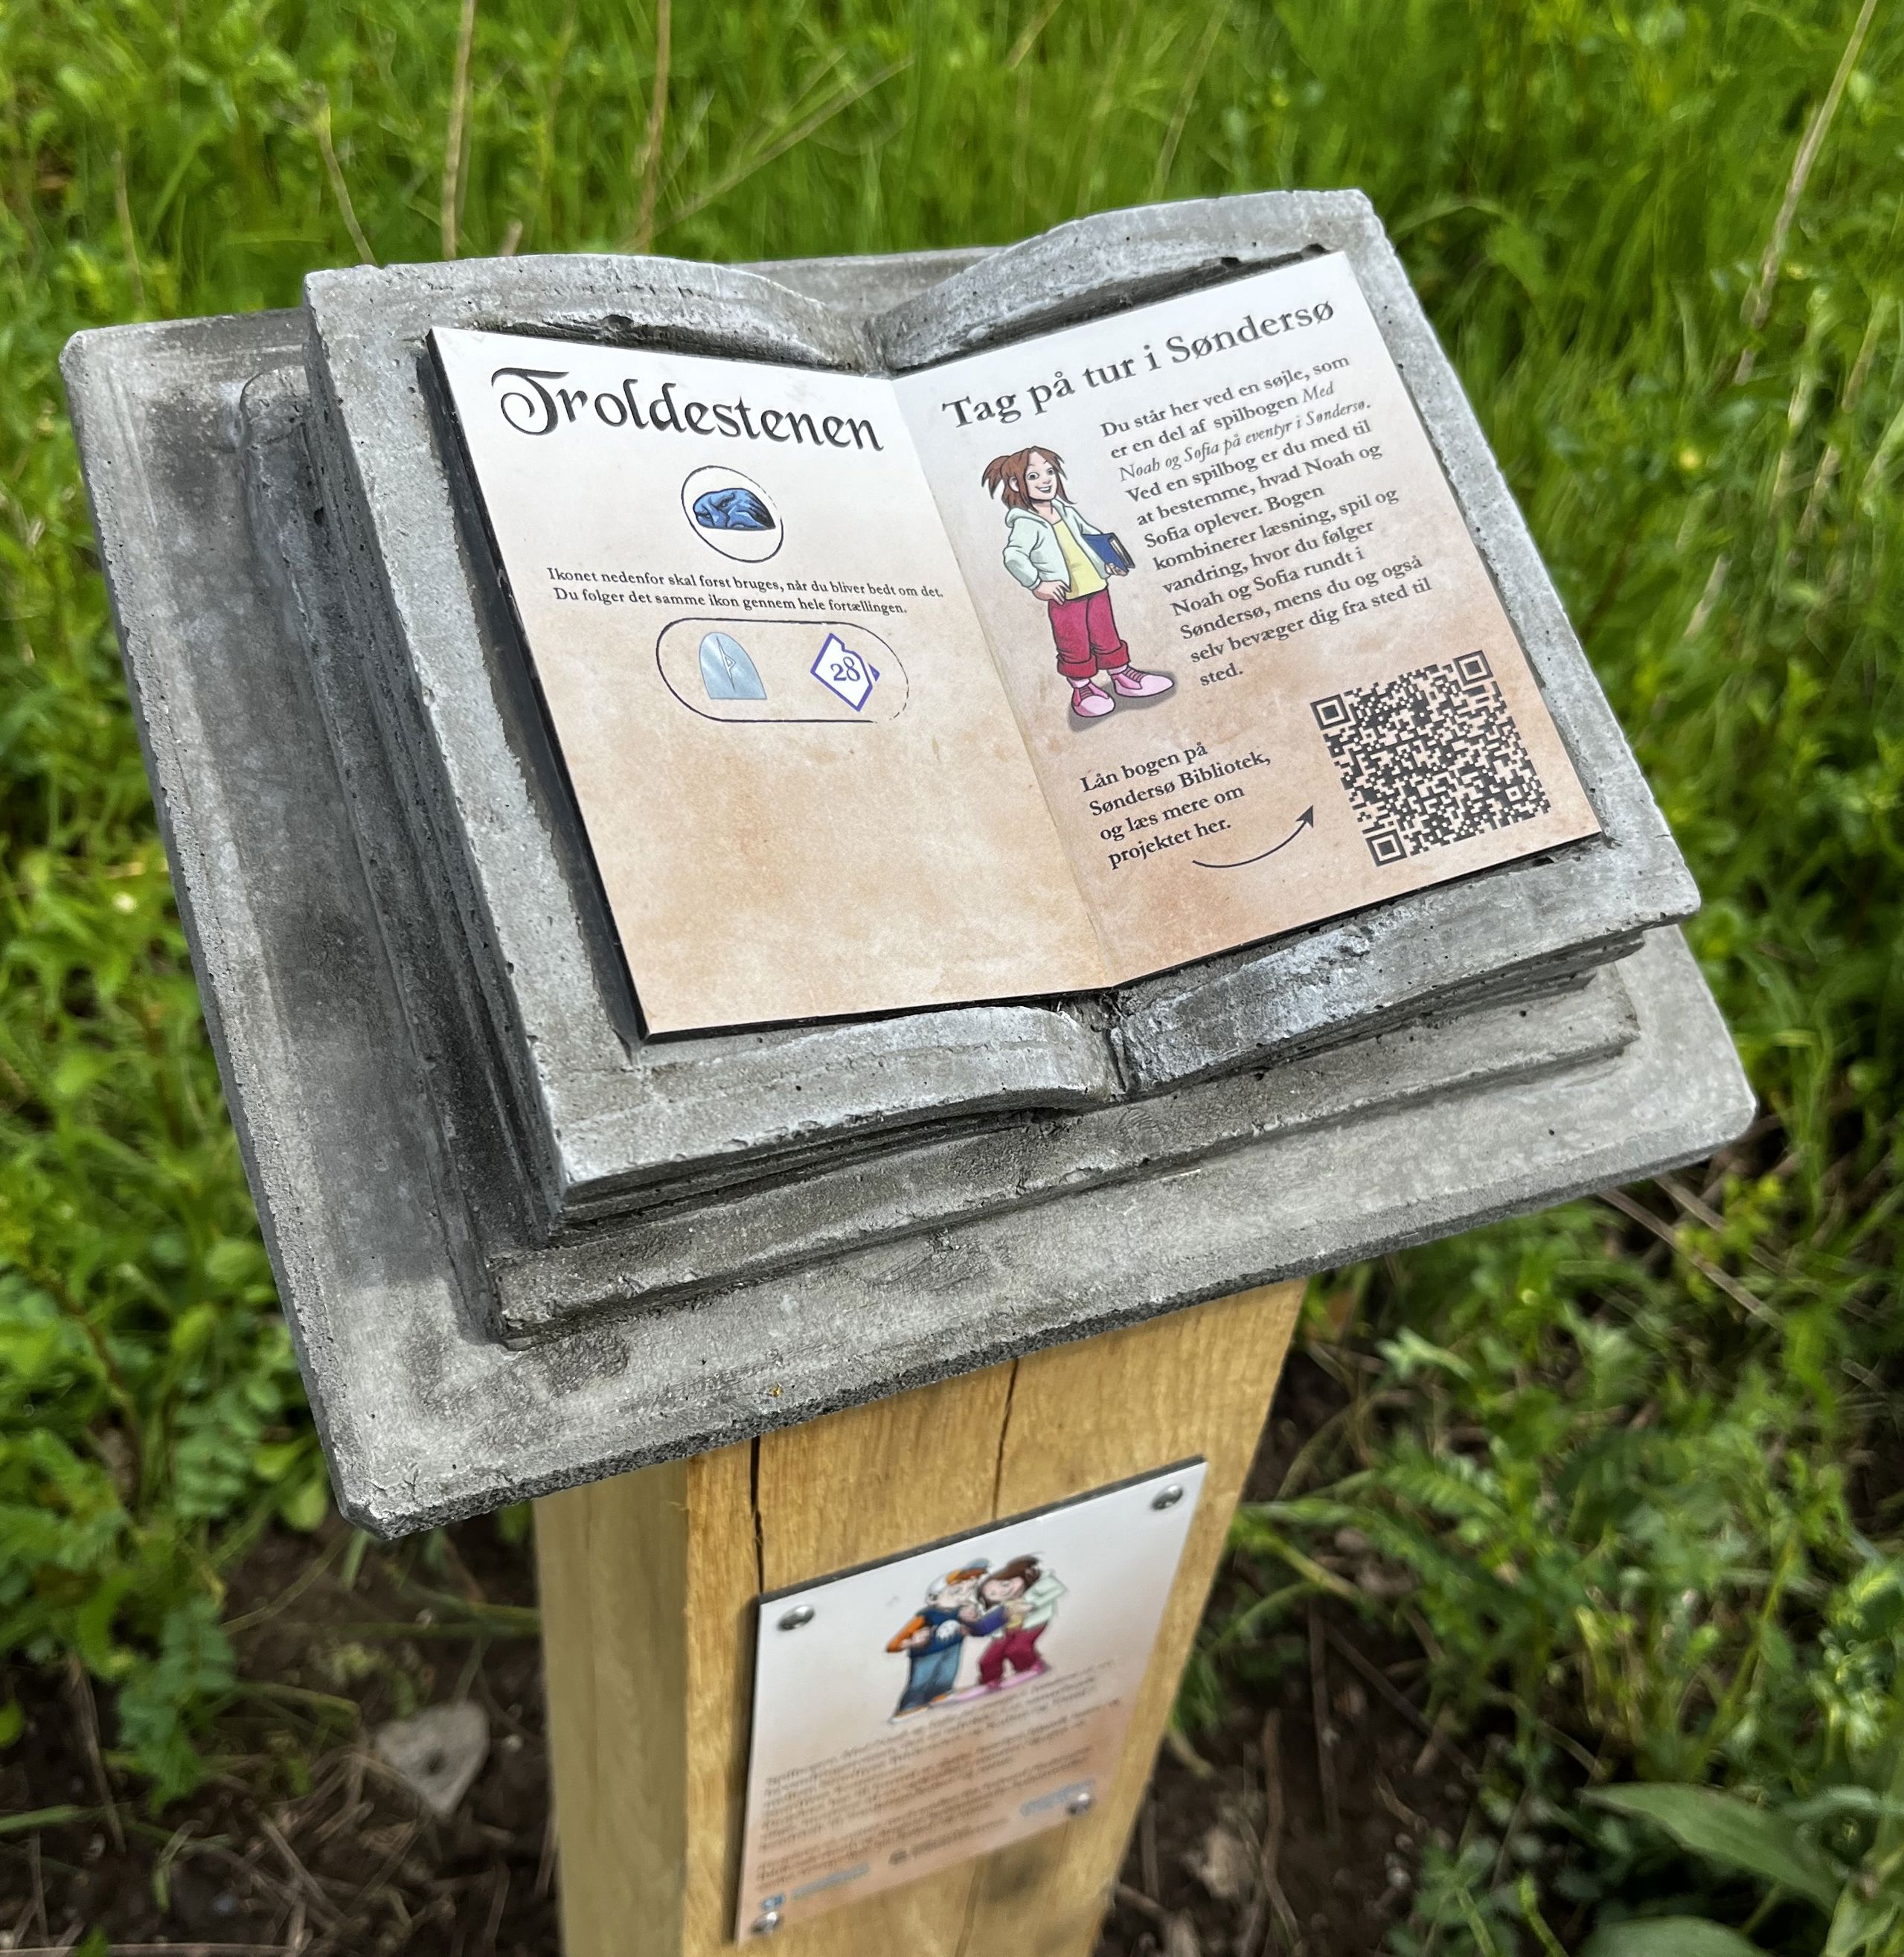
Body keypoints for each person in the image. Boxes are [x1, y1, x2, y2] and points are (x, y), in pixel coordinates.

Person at [983, 446, 1173, 722]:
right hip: (1066, 598)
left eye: (1050, 472)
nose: (1046, 480)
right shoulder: (1026, 523)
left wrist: (1109, 562)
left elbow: (1091, 536)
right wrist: (1037, 583)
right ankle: (1083, 689)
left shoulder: (1065, 512)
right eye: (1033, 476)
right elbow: (1013, 556)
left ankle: (1123, 676)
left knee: (1106, 633)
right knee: (1075, 643)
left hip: (1096, 587)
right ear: (1015, 483)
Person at [885, 1563, 987, 1716]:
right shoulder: (927, 1616)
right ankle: (909, 1707)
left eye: (969, 1590)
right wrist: (912, 1642)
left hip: (953, 1648)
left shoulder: (962, 1610)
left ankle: (941, 1695)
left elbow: (977, 1627)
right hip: (927, 1654)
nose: (963, 1595)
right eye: (956, 1591)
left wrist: (972, 1620)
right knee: (920, 1681)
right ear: (933, 1598)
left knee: (947, 1674)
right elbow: (894, 1645)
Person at [965, 1554, 1066, 1690]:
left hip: (1032, 1626)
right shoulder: (1003, 1607)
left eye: (1005, 1584)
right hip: (1009, 1631)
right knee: (989, 1658)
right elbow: (987, 1626)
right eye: (994, 1595)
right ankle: (990, 1680)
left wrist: (1032, 1605)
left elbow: (1058, 1588)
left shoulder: (1036, 1587)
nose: (1003, 1591)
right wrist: (972, 1627)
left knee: (1016, 1649)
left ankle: (1031, 1666)